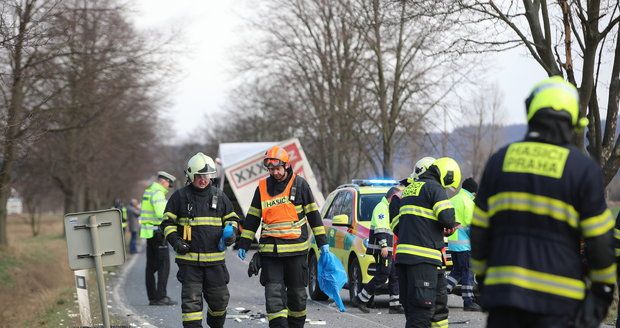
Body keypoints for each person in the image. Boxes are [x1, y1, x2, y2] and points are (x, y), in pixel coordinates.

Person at [471, 76, 616, 327]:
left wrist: (484, 279)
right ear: (573, 121)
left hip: (505, 299)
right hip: (560, 304)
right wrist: (602, 292)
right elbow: (600, 240)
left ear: (532, 112)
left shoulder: (499, 161)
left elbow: (480, 230)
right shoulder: (581, 169)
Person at [236, 145, 328, 328]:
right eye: (271, 169)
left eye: (277, 168)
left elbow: (313, 216)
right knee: (274, 297)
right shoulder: (262, 187)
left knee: (298, 298)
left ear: (286, 165)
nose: (275, 172)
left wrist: (322, 243)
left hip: (296, 253)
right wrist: (244, 244)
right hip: (271, 254)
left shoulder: (300, 185)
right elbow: (253, 217)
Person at [161, 152, 239, 328]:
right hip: (190, 265)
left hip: (215, 263)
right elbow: (167, 223)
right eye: (199, 176)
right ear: (190, 175)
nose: (204, 180)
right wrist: (176, 242)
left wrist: (231, 232)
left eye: (207, 176)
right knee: (191, 307)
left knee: (220, 302)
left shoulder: (220, 196)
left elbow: (232, 219)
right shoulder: (179, 197)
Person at [391, 157, 460, 328]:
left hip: (409, 260)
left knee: (424, 310)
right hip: (424, 260)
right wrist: (448, 226)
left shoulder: (408, 190)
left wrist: (431, 228)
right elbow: (448, 218)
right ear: (447, 175)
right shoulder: (434, 188)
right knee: (421, 314)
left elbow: (403, 226)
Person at [356, 186, 404, 314]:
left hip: (388, 249)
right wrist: (383, 246)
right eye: (399, 198)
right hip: (383, 249)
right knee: (383, 275)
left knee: (394, 275)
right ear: (392, 197)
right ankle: (361, 298)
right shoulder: (381, 208)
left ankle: (394, 305)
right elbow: (380, 229)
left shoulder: (387, 207)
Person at [139, 170, 177, 306]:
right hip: (158, 233)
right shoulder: (158, 192)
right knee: (164, 265)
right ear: (163, 181)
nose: (168, 187)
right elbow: (162, 214)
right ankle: (161, 297)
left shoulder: (149, 190)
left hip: (149, 233)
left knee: (150, 267)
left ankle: (153, 297)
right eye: (168, 184)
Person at [446, 177, 481, 311]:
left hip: (453, 244)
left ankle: (442, 292)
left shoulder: (452, 200)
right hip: (465, 245)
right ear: (473, 191)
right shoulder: (469, 202)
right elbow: (472, 226)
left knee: (457, 271)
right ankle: (468, 301)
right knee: (468, 272)